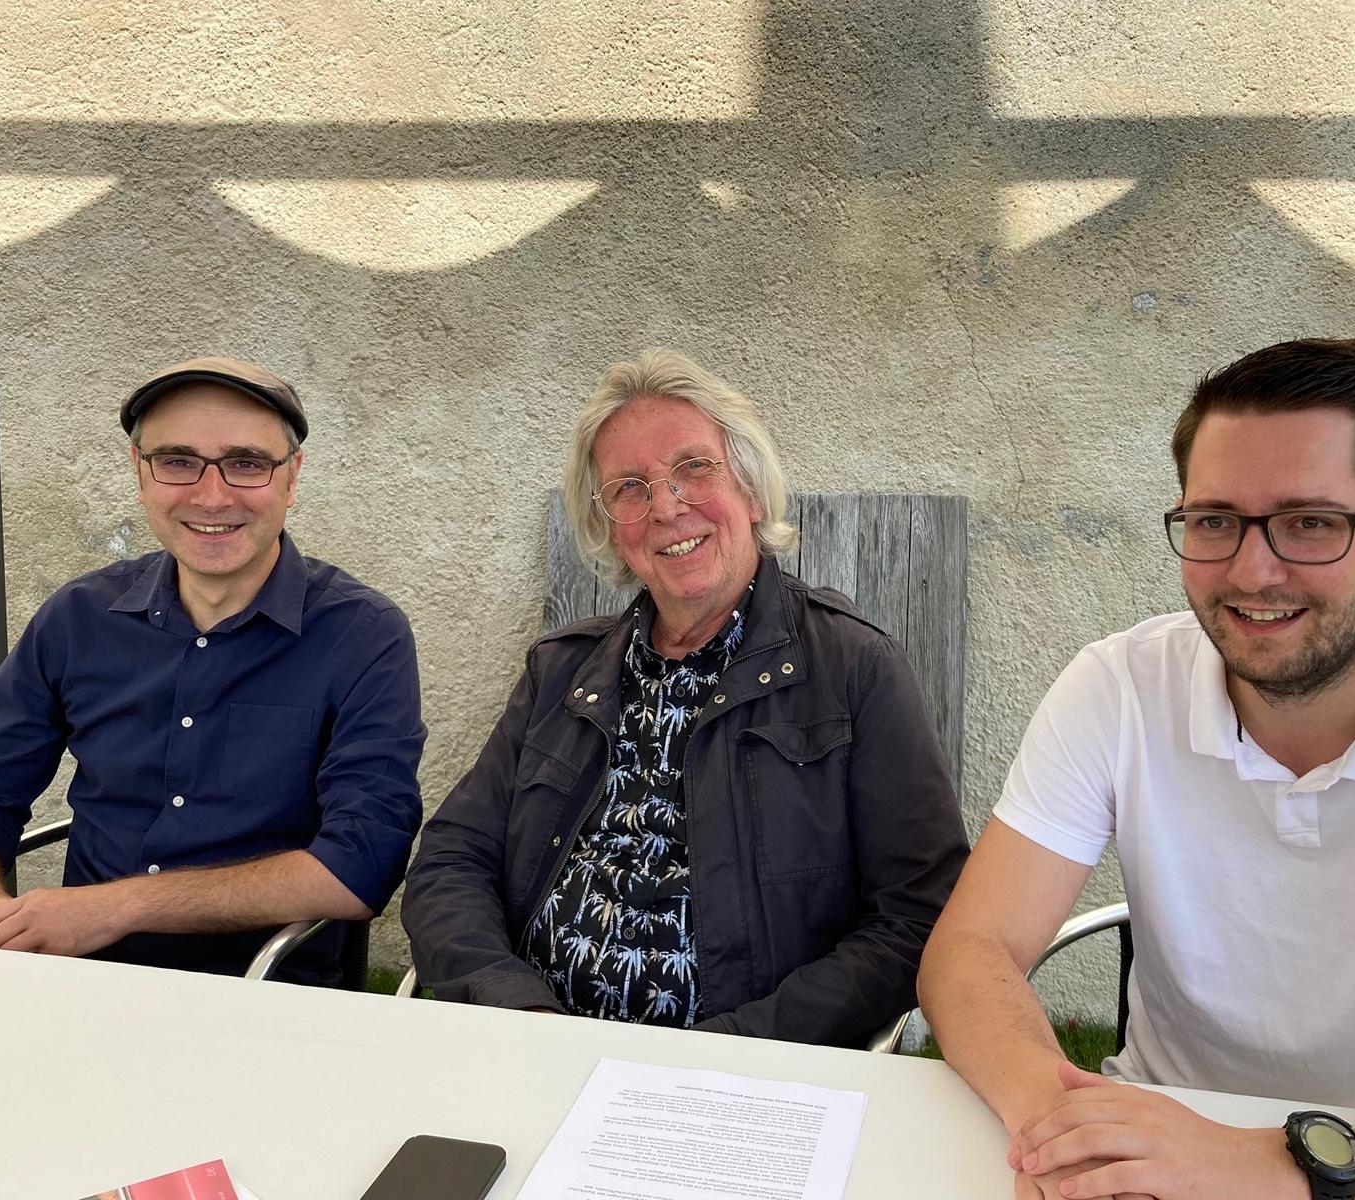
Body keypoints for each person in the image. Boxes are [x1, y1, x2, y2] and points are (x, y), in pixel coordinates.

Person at [919, 338, 1355, 1198]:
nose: (1251, 569)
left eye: (1309, 522)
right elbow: (970, 949)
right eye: (1214, 521)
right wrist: (1065, 1131)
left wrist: (1258, 1169)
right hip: (1156, 1144)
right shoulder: (1119, 686)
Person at [403, 347, 968, 1045]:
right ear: (611, 524)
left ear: (751, 492)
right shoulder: (562, 672)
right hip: (536, 1047)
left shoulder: (853, 667)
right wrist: (514, 1008)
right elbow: (452, 860)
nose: (666, 506)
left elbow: (918, 915)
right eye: (630, 487)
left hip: (739, 1070)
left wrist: (733, 1046)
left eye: (693, 468)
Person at [0, 357, 425, 983]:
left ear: (292, 477)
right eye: (176, 460)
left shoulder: (362, 635)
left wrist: (119, 906)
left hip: (266, 991)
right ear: (140, 473)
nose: (211, 494)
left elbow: (362, 863)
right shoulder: (79, 618)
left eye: (247, 462)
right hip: (76, 980)